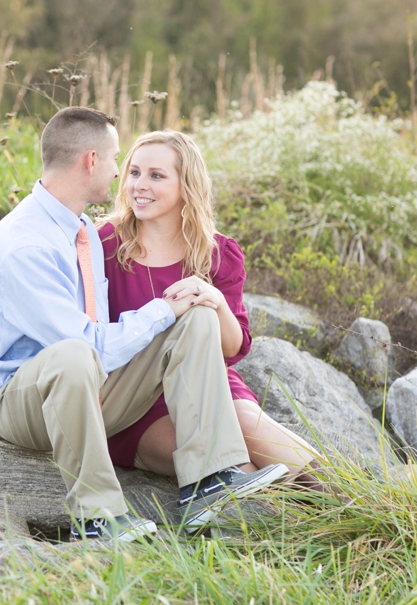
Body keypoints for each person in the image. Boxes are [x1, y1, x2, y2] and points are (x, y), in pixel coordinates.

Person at [0, 107, 288, 543]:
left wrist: (194, 303)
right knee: (77, 352)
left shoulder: (79, 228)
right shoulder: (25, 244)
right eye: (120, 161)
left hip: (93, 388)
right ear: (91, 162)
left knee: (195, 316)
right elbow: (82, 346)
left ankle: (207, 482)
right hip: (35, 401)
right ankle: (97, 518)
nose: (123, 175)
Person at [98, 130, 323, 489]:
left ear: (186, 185)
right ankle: (295, 527)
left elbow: (232, 349)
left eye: (156, 175)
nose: (139, 185)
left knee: (251, 430)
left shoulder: (216, 252)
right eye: (134, 172)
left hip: (209, 383)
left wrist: (214, 299)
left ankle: (360, 507)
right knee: (238, 470)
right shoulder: (104, 244)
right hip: (138, 399)